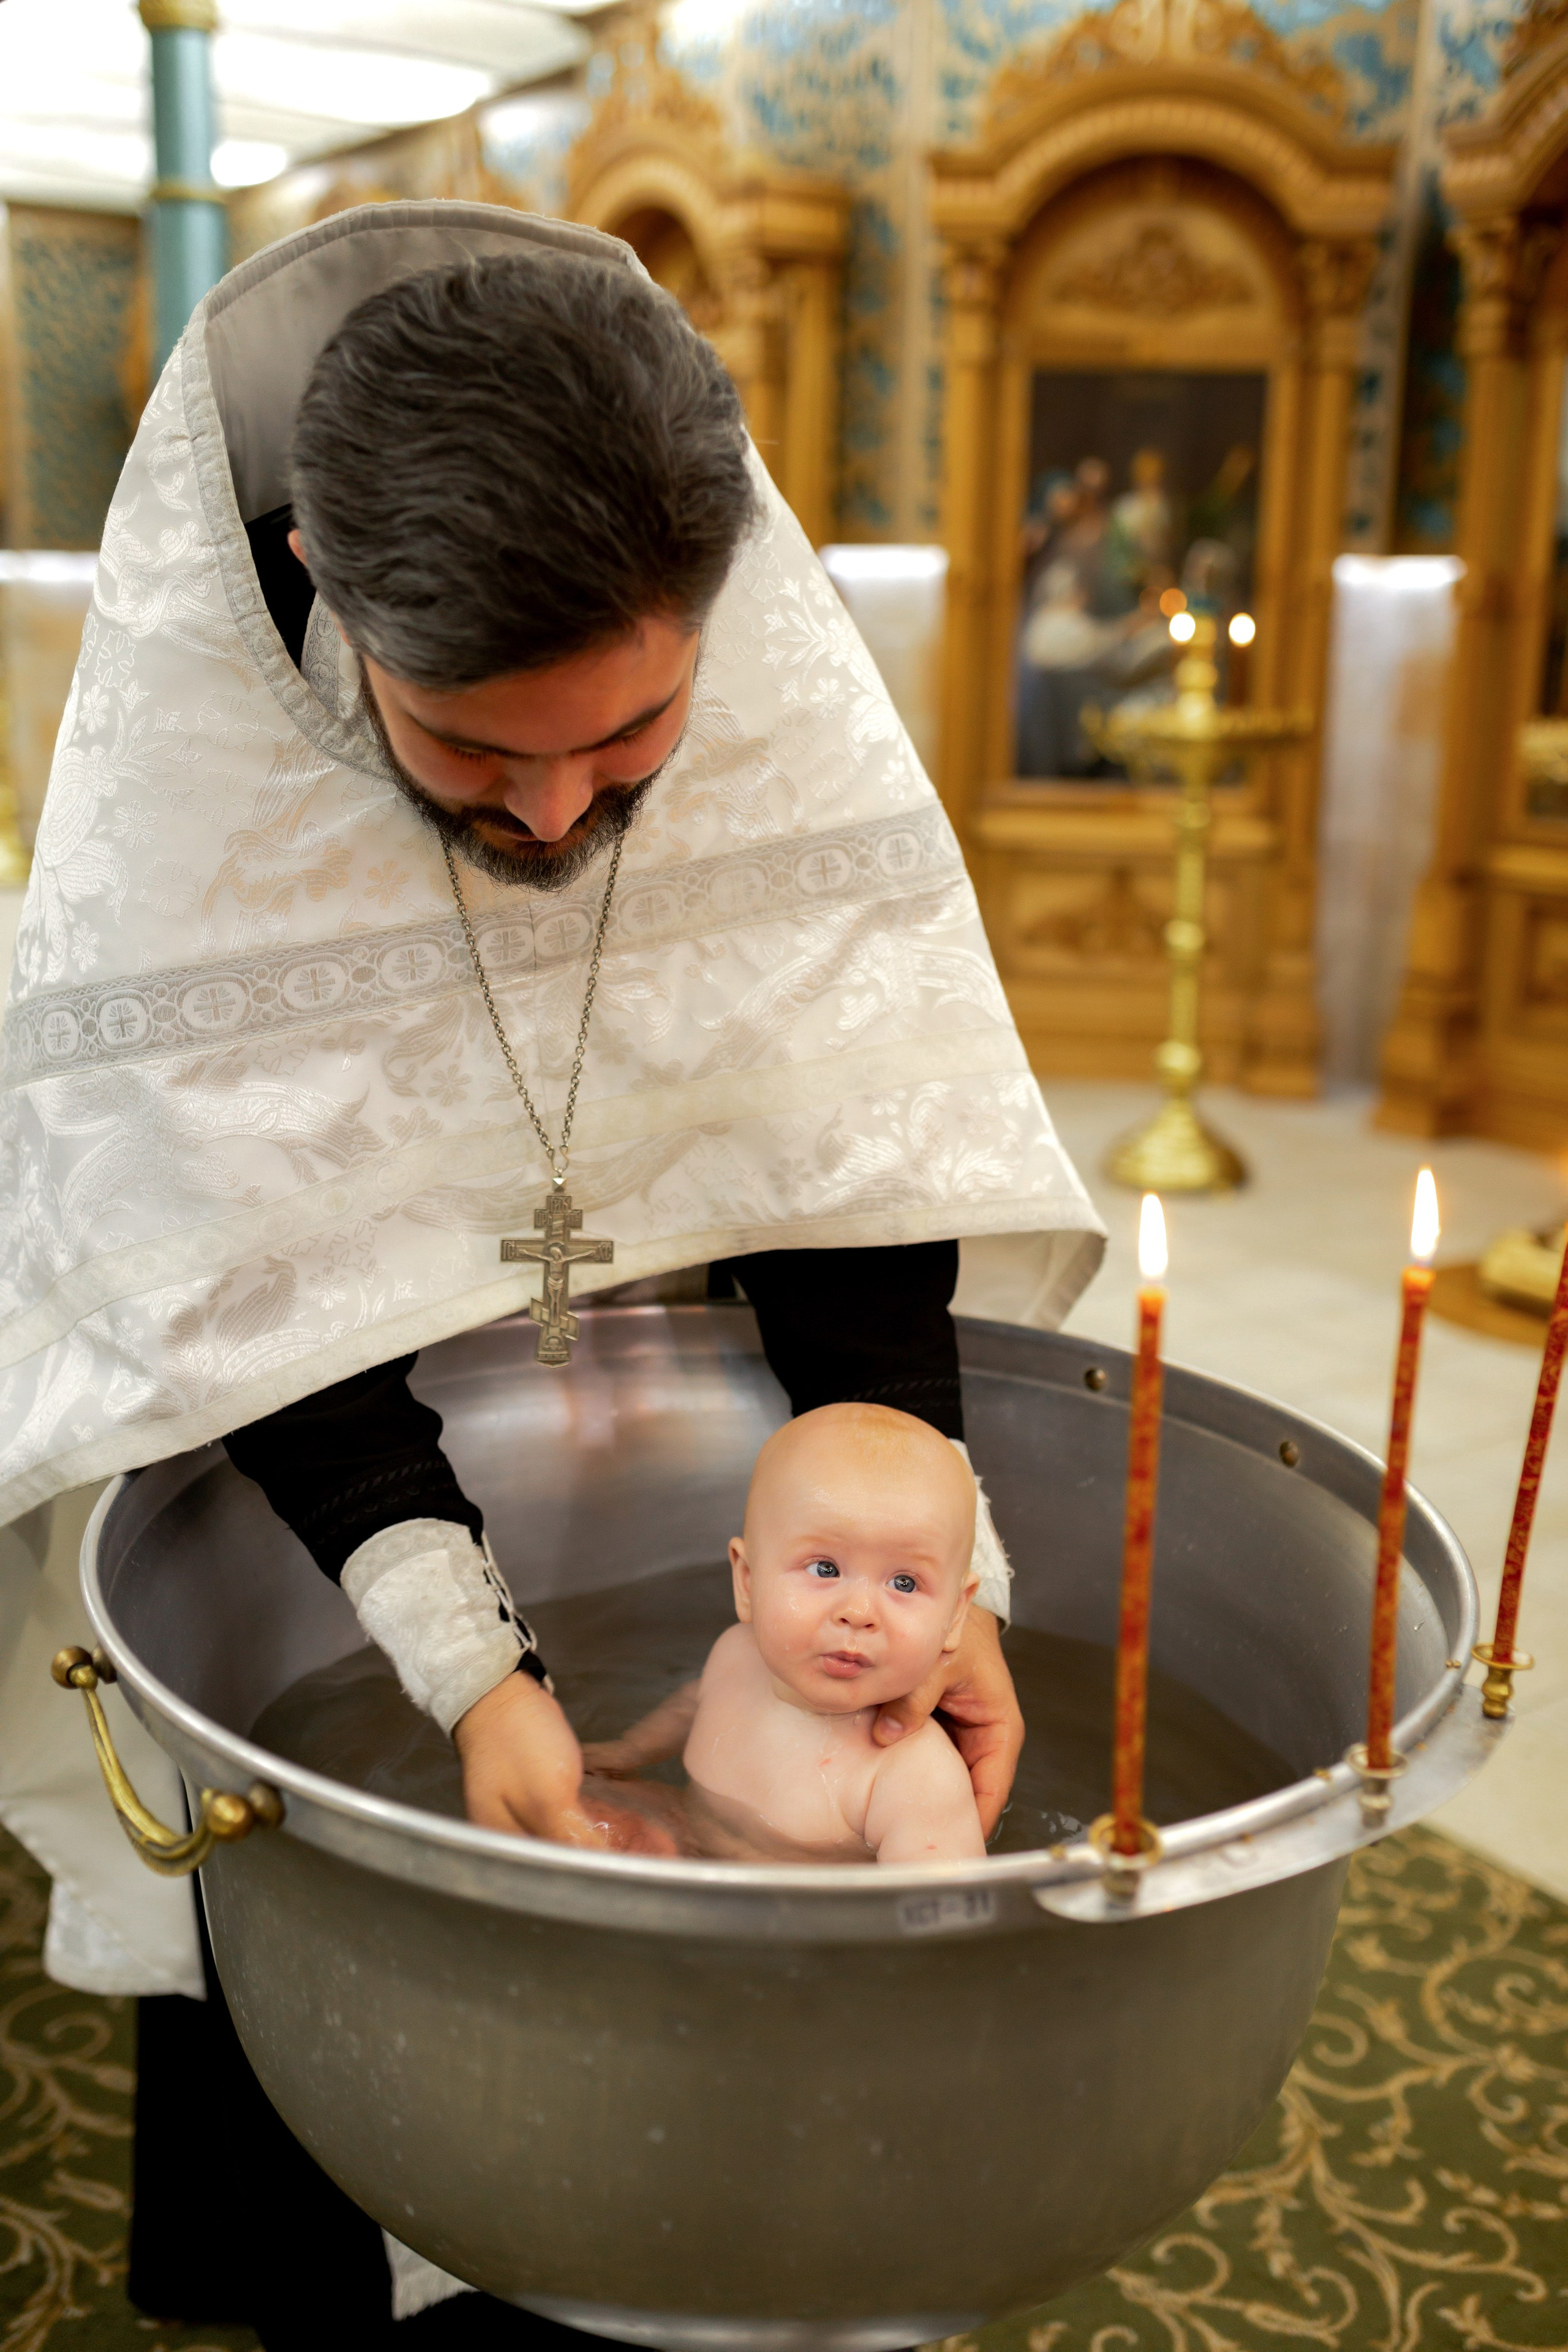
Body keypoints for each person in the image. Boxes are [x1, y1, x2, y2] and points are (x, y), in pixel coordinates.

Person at [0, 201, 1105, 2345]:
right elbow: (219, 1254)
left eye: (632, 738)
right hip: (303, 1489)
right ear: (327, 589)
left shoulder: (752, 671)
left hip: (698, 1473)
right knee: (341, 2103)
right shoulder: (198, 768)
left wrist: (931, 1551)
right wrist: (476, 1679)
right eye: (478, 756)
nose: (558, 816)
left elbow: (841, 1117)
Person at [581, 1404, 986, 1864]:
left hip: (801, 1912)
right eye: (825, 1568)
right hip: (686, 1824)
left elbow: (935, 1907)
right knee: (570, 1809)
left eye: (905, 1583)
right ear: (749, 1582)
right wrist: (631, 1750)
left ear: (956, 1615)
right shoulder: (735, 1654)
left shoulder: (914, 1776)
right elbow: (695, 1703)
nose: (858, 1613)